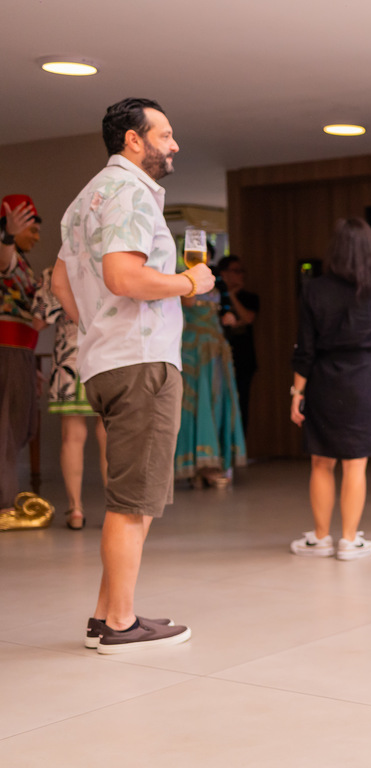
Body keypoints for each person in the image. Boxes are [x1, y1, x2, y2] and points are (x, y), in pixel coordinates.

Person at [52, 98, 212, 653]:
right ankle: (120, 624)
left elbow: (60, 284)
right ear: (132, 140)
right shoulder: (130, 192)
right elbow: (124, 274)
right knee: (134, 499)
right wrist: (191, 285)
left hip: (105, 361)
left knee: (131, 493)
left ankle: (105, 614)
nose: (174, 145)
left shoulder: (84, 200)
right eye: (165, 135)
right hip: (141, 359)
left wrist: (96, 327)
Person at [289, 218, 371, 561]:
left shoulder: (313, 289)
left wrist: (296, 394)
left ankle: (320, 539)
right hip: (363, 377)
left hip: (323, 378)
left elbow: (305, 348)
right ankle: (349, 540)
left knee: (321, 462)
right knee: (355, 464)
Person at [32, 265, 108, 529]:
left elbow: (39, 321)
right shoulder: (111, 261)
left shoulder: (57, 269)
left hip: (69, 356)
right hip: (106, 353)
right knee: (109, 434)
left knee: (72, 435)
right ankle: (115, 509)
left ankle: (75, 509)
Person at [174, 249, 246, 488]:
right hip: (192, 350)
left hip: (215, 349)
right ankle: (198, 465)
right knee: (194, 404)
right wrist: (191, 278)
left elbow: (227, 310)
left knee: (217, 401)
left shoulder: (217, 282)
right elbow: (188, 301)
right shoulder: (181, 279)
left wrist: (229, 316)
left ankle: (213, 463)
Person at [0, 195, 49, 526]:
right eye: (31, 228)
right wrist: (5, 236)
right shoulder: (7, 254)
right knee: (5, 429)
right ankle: (4, 506)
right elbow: (4, 260)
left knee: (14, 428)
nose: (36, 235)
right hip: (7, 352)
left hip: (20, 354)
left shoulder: (23, 263)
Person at [216, 255, 259, 439]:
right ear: (224, 273)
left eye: (242, 271)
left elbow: (248, 318)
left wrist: (232, 295)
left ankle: (239, 447)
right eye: (235, 271)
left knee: (242, 403)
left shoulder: (250, 297)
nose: (240, 275)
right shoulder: (214, 297)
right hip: (217, 357)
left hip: (243, 359)